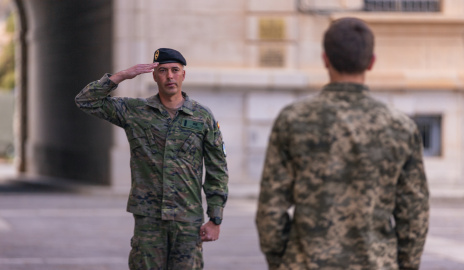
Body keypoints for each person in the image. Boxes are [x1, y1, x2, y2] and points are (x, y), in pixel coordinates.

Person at [255, 17, 429, 270]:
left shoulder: (293, 119)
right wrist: (405, 264)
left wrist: (280, 261)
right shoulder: (401, 126)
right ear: (372, 62)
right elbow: (414, 213)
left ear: (325, 59)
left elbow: (270, 208)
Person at [75, 48, 228, 270]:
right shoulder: (135, 111)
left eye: (175, 70)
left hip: (187, 217)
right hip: (149, 220)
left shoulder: (202, 117)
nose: (170, 76)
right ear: (154, 76)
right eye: (163, 71)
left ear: (183, 75)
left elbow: (218, 169)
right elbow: (85, 100)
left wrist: (215, 218)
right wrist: (120, 76)